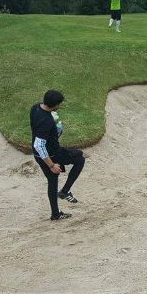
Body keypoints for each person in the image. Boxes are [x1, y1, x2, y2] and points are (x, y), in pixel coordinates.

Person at [31, 90, 86, 221]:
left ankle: (56, 214)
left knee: (52, 181)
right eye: (58, 104)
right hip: (53, 155)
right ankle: (65, 191)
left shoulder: (35, 108)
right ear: (54, 105)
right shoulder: (46, 121)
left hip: (39, 156)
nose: (59, 106)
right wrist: (51, 165)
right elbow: (39, 145)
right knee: (79, 159)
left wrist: (56, 131)